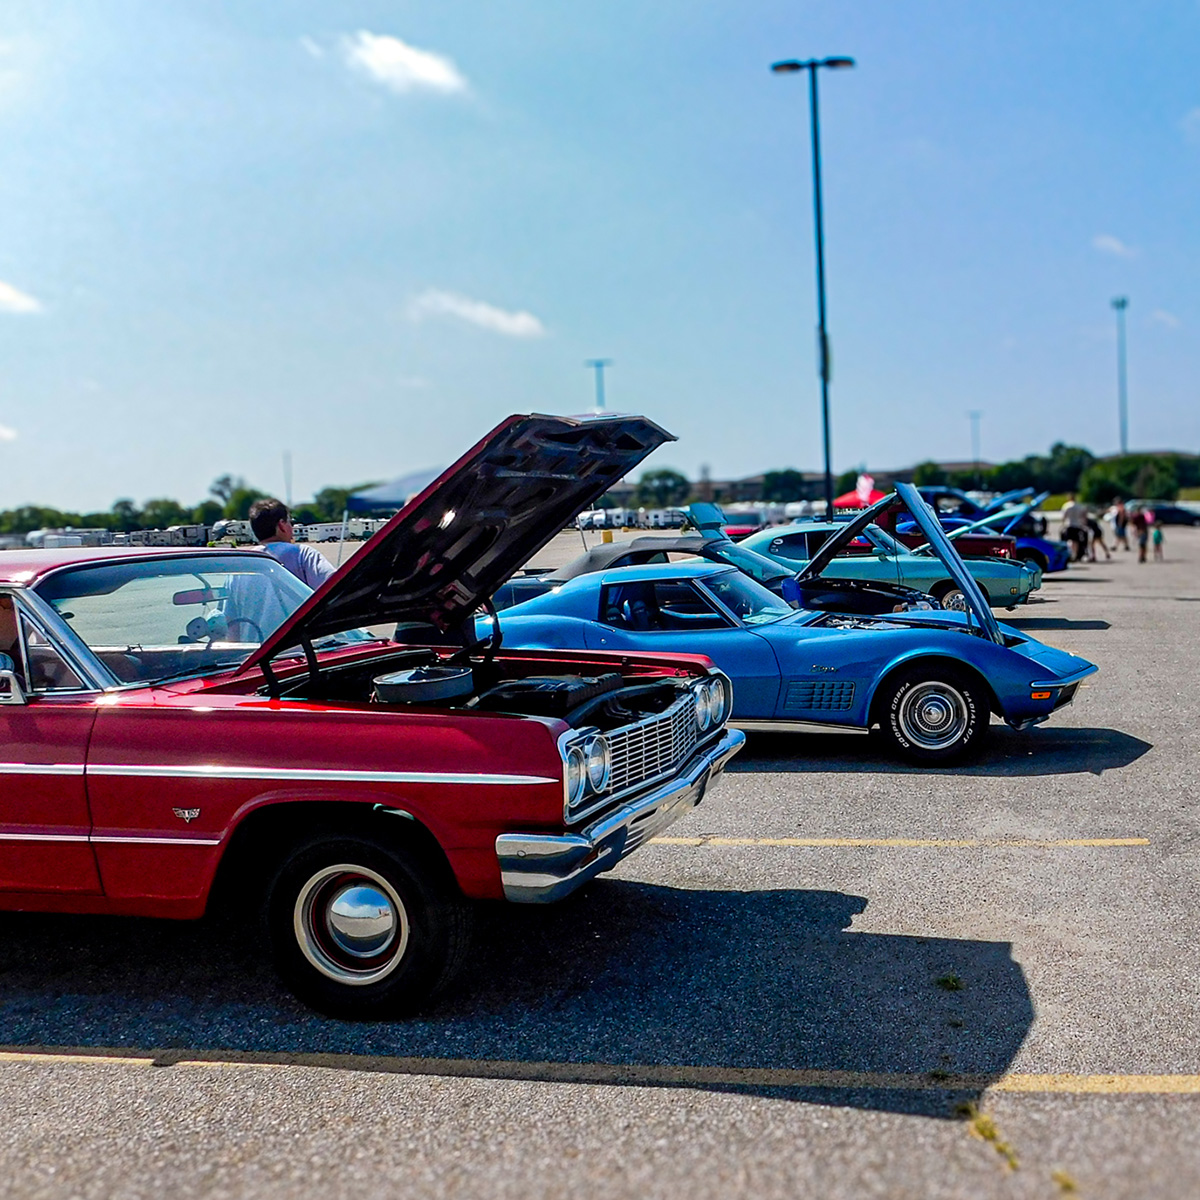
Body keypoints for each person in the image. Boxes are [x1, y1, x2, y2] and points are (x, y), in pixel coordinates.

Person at [248, 498, 336, 589]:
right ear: (282, 525)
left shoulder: (246, 561)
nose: (292, 528)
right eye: (290, 522)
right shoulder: (303, 554)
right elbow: (333, 586)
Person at [1060, 493, 1089, 562]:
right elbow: (1084, 514)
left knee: (1069, 540)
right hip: (1077, 524)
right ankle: (1075, 555)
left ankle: (1070, 554)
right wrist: (1084, 523)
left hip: (1069, 524)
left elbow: (1063, 516)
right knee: (1076, 541)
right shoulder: (1079, 506)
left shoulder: (1066, 506)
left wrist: (1062, 524)